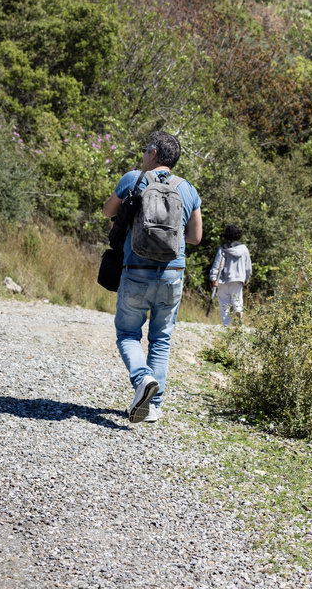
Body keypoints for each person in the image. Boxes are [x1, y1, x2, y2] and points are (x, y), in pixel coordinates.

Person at [102, 131, 202, 424]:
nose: (143, 155)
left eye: (146, 150)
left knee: (128, 333)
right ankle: (153, 407)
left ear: (154, 153)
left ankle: (142, 379)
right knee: (161, 339)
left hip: (136, 272)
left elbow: (107, 211)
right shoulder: (188, 189)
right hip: (172, 274)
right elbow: (195, 238)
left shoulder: (133, 179)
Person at [209, 224, 251, 326]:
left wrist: (213, 277)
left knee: (224, 302)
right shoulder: (244, 249)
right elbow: (248, 265)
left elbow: (217, 264)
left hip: (223, 279)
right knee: (237, 300)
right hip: (238, 279)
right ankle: (238, 316)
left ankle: (226, 324)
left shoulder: (222, 248)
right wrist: (247, 277)